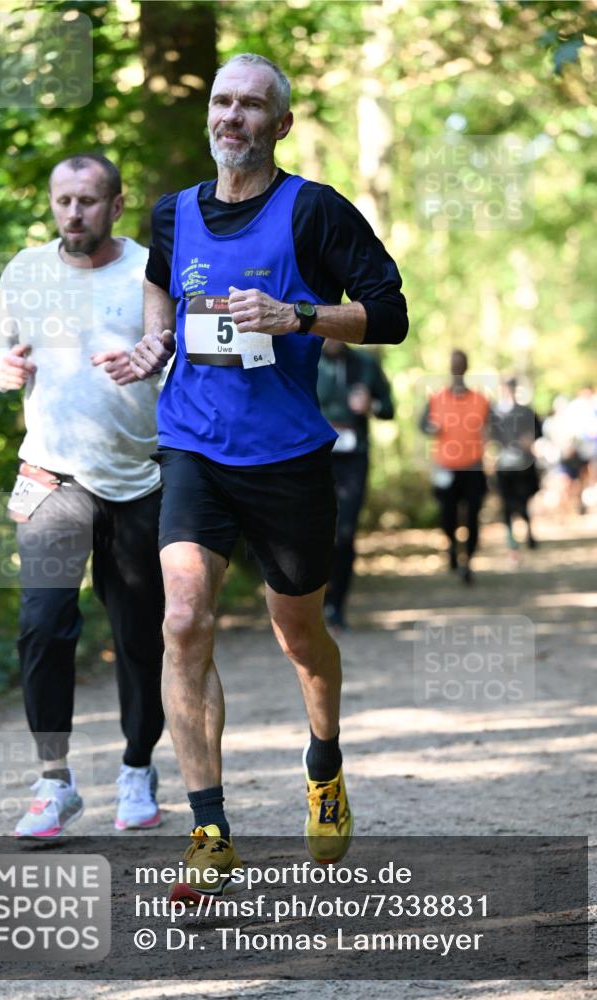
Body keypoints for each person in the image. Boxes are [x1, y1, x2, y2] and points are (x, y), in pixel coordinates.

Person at [130, 53, 407, 900]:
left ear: (279, 124)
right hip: (193, 445)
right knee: (183, 618)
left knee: (299, 638)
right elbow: (158, 290)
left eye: (252, 106)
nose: (232, 117)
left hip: (286, 457)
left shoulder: (315, 212)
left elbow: (390, 314)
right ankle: (209, 829)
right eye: (222, 101)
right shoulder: (172, 214)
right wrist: (156, 341)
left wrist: (299, 315)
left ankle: (323, 759)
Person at [0, 153, 165, 838]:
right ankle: (53, 781)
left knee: (140, 634)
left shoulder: (148, 268)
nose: (73, 214)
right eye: (62, 201)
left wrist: (157, 353)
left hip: (137, 480)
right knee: (42, 625)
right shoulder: (27, 269)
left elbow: (170, 348)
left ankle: (137, 767)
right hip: (52, 476)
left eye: (87, 201)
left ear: (115, 205)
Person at [317, 340, 394, 630]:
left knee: (345, 533)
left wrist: (371, 405)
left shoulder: (365, 364)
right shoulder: (305, 358)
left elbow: (388, 407)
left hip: (353, 458)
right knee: (314, 530)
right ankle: (316, 600)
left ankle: (337, 604)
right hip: (314, 456)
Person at [421, 350, 490, 584]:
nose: (457, 368)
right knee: (447, 515)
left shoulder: (481, 400)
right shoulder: (436, 398)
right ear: (450, 368)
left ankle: (467, 561)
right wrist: (431, 428)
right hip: (445, 467)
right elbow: (423, 425)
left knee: (472, 516)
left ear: (466, 367)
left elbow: (493, 428)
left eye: (461, 364)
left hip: (473, 466)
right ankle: (452, 546)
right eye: (454, 364)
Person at [491, 377, 542, 556]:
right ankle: (511, 538)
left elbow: (537, 431)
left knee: (523, 501)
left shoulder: (526, 412)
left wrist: (530, 440)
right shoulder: (495, 413)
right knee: (507, 502)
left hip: (523, 465)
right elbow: (490, 435)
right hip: (504, 465)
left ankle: (528, 532)